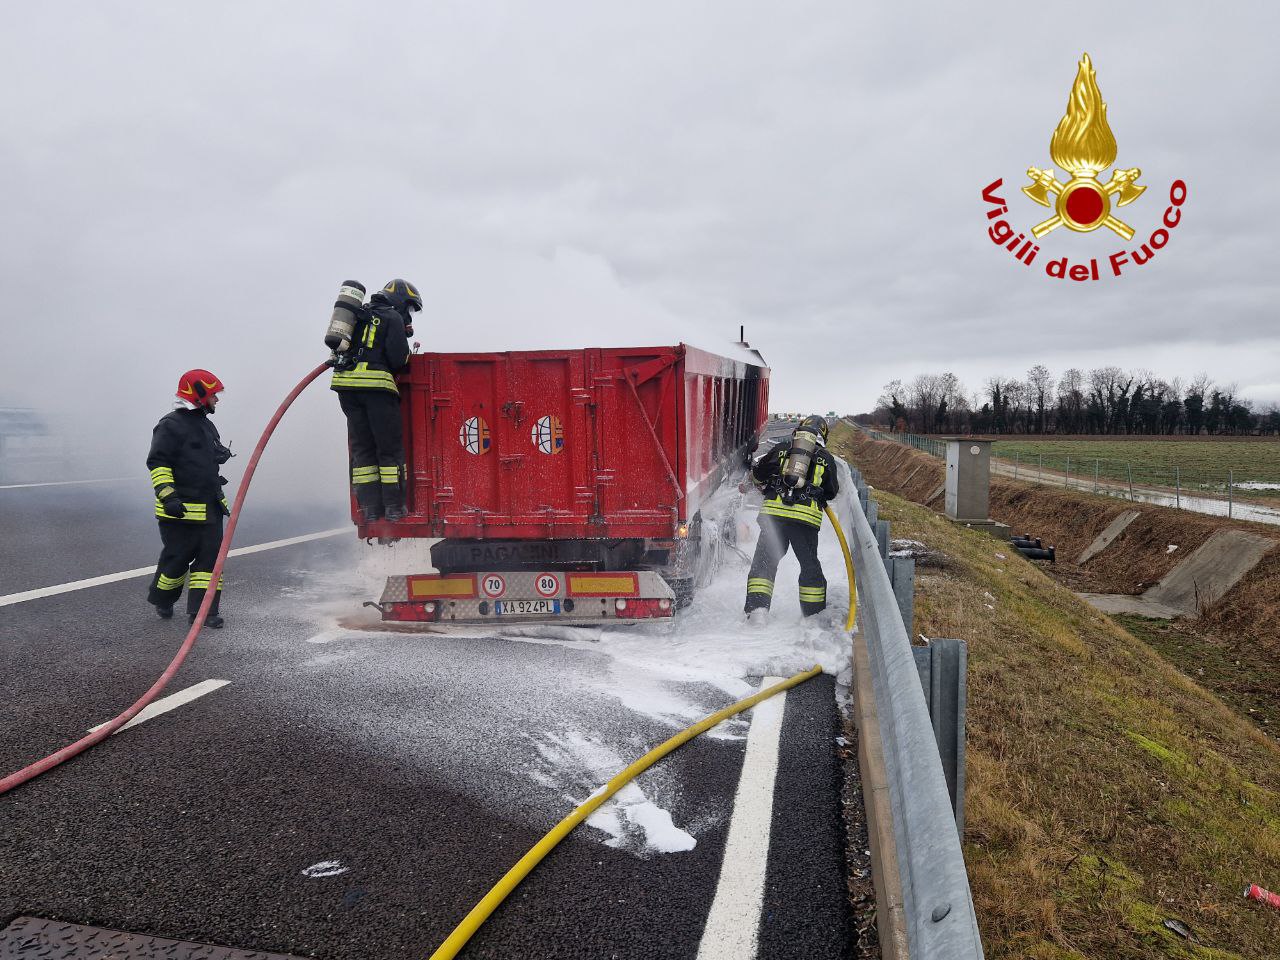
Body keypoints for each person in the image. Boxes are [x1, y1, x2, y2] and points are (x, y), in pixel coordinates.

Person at [147, 369, 233, 628]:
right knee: (176, 560)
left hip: (209, 508)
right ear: (198, 394)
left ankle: (203, 612)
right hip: (180, 511)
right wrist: (168, 496)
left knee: (210, 562)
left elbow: (203, 454)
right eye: (213, 395)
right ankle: (163, 599)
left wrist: (219, 454)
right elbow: (158, 463)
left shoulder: (206, 424)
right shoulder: (169, 425)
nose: (217, 400)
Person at [331, 278, 419, 522]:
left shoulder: (357, 314)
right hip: (376, 389)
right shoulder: (392, 318)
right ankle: (393, 507)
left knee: (363, 449)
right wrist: (404, 338)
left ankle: (370, 509)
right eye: (409, 307)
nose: (409, 314)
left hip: (346, 389)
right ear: (400, 299)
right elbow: (398, 359)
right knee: (388, 450)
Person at [744, 415, 839, 621]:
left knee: (764, 563)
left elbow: (758, 475)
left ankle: (757, 612)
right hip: (805, 521)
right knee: (809, 566)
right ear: (823, 434)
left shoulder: (781, 449)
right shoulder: (826, 458)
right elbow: (831, 492)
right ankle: (813, 616)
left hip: (774, 517)